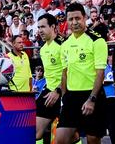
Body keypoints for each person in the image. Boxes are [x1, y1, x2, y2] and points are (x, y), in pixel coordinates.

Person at [57, 2, 108, 144]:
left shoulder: (97, 40)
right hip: (71, 97)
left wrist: (92, 99)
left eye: (78, 18)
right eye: (71, 19)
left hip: (92, 95)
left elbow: (100, 73)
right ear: (67, 21)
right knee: (61, 140)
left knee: (92, 140)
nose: (74, 22)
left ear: (85, 18)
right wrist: (64, 96)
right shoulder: (65, 44)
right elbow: (64, 73)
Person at [35, 14, 66, 144]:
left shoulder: (63, 45)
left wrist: (58, 91)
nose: (40, 30)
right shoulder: (43, 49)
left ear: (53, 27)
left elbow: (70, 72)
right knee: (35, 132)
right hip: (49, 92)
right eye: (38, 27)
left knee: (68, 136)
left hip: (64, 92)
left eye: (43, 26)